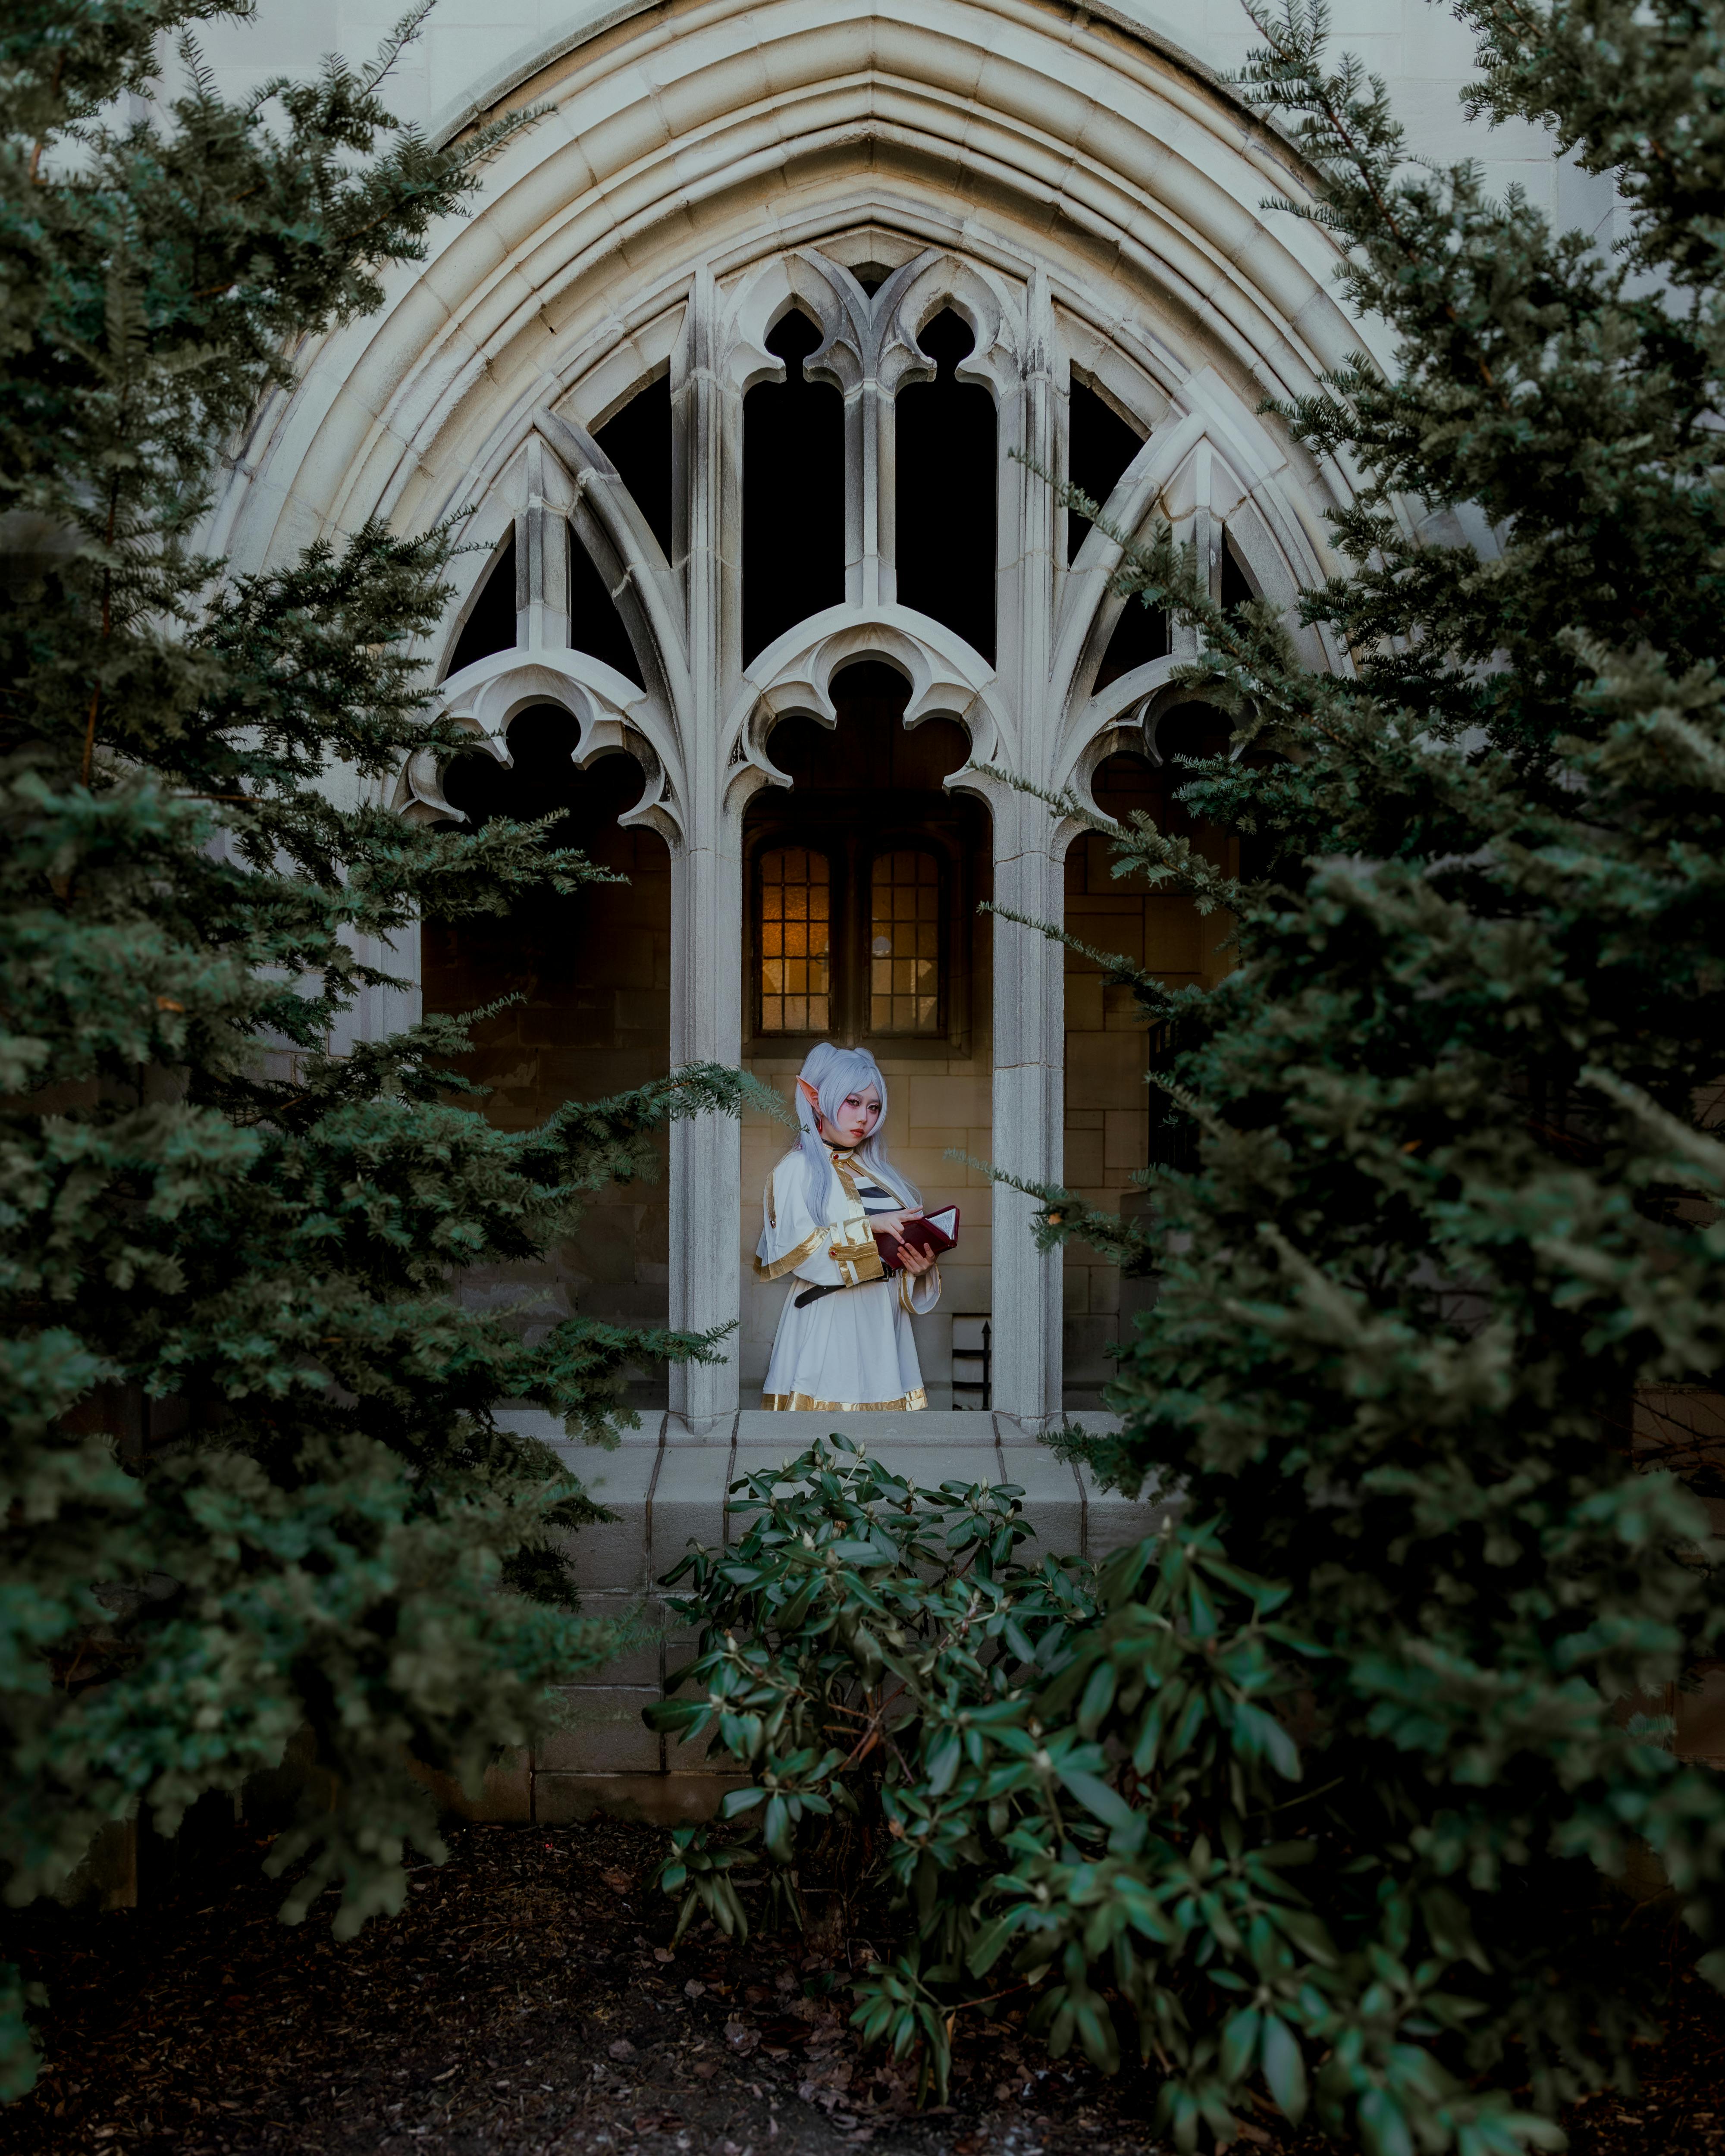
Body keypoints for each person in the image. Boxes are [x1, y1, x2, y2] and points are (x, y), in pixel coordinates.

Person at [755, 1043, 941, 1411]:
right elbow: (799, 1253)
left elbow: (894, 1259)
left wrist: (919, 1267)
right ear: (818, 1100)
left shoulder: (881, 1175)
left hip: (884, 1326)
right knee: (824, 1448)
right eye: (853, 1103)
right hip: (829, 1322)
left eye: (873, 1107)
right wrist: (870, 1226)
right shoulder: (796, 1170)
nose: (864, 1118)